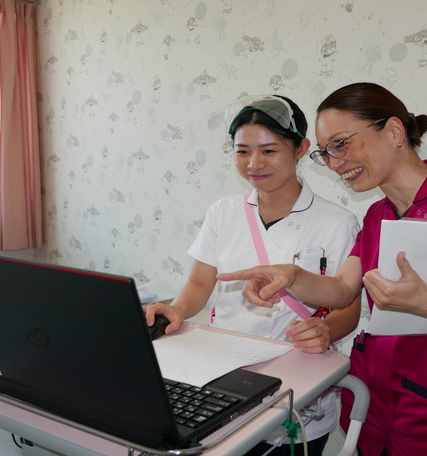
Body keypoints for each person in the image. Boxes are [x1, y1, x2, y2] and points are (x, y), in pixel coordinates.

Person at [217, 83, 427, 456]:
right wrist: (291, 276)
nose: (335, 163)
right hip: (375, 404)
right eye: (326, 153)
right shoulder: (378, 215)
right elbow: (342, 289)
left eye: (342, 144)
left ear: (393, 131)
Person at [144, 94, 362, 456]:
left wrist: (326, 331)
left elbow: (348, 308)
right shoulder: (223, 212)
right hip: (222, 375)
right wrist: (178, 309)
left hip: (298, 384)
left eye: (269, 151)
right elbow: (200, 283)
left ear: (300, 149)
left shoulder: (338, 223)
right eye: (242, 151)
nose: (253, 164)